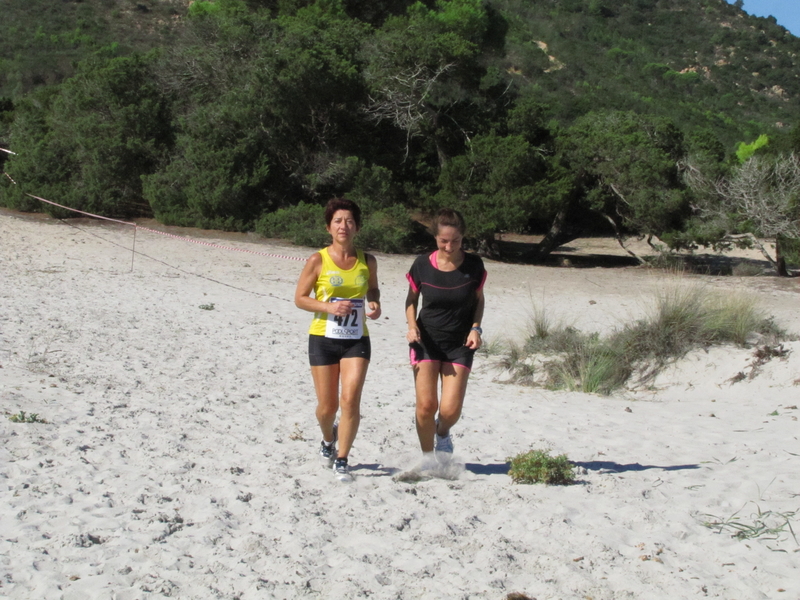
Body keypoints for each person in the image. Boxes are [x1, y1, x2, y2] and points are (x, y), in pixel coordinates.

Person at [295, 198, 381, 482]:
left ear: (357, 227)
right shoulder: (318, 260)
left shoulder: (368, 260)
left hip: (356, 338)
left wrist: (375, 304)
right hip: (323, 338)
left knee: (350, 399)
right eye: (338, 221)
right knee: (327, 408)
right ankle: (327, 438)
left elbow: (373, 289)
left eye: (349, 221)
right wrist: (329, 307)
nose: (344, 226)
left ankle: (342, 458)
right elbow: (300, 299)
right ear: (329, 228)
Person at [405, 208, 486, 461]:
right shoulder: (421, 265)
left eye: (455, 241)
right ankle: (428, 458)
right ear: (435, 239)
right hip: (426, 340)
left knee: (450, 411)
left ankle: (442, 433)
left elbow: (479, 300)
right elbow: (411, 299)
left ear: (463, 238)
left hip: (459, 343)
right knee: (427, 406)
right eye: (443, 241)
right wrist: (411, 325)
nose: (449, 246)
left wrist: (476, 327)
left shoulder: (474, 265)